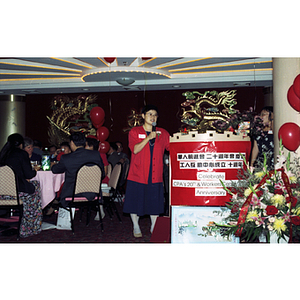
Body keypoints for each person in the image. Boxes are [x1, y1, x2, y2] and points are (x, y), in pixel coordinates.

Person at [123, 104, 170, 237]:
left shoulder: (163, 133)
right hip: (137, 174)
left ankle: (154, 227)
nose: (152, 117)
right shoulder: (135, 132)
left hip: (155, 174)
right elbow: (135, 149)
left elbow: (171, 148)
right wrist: (148, 138)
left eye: (155, 115)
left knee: (155, 203)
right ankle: (136, 226)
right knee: (135, 201)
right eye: (149, 114)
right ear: (143, 116)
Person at [0, 133, 43, 238]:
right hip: (18, 192)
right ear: (21, 144)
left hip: (2, 192)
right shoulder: (21, 154)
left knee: (32, 187)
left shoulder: (2, 154)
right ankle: (30, 227)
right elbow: (29, 174)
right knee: (35, 186)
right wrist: (35, 171)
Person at [51, 132, 105, 208]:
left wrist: (53, 165)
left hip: (72, 193)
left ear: (72, 143)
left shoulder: (66, 158)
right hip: (93, 193)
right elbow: (102, 174)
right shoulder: (96, 155)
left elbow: (55, 170)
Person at [85, 136, 107, 220]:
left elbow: (105, 172)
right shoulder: (84, 155)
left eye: (85, 145)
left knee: (95, 183)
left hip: (101, 180)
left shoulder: (101, 155)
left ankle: (100, 208)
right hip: (87, 180)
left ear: (91, 146)